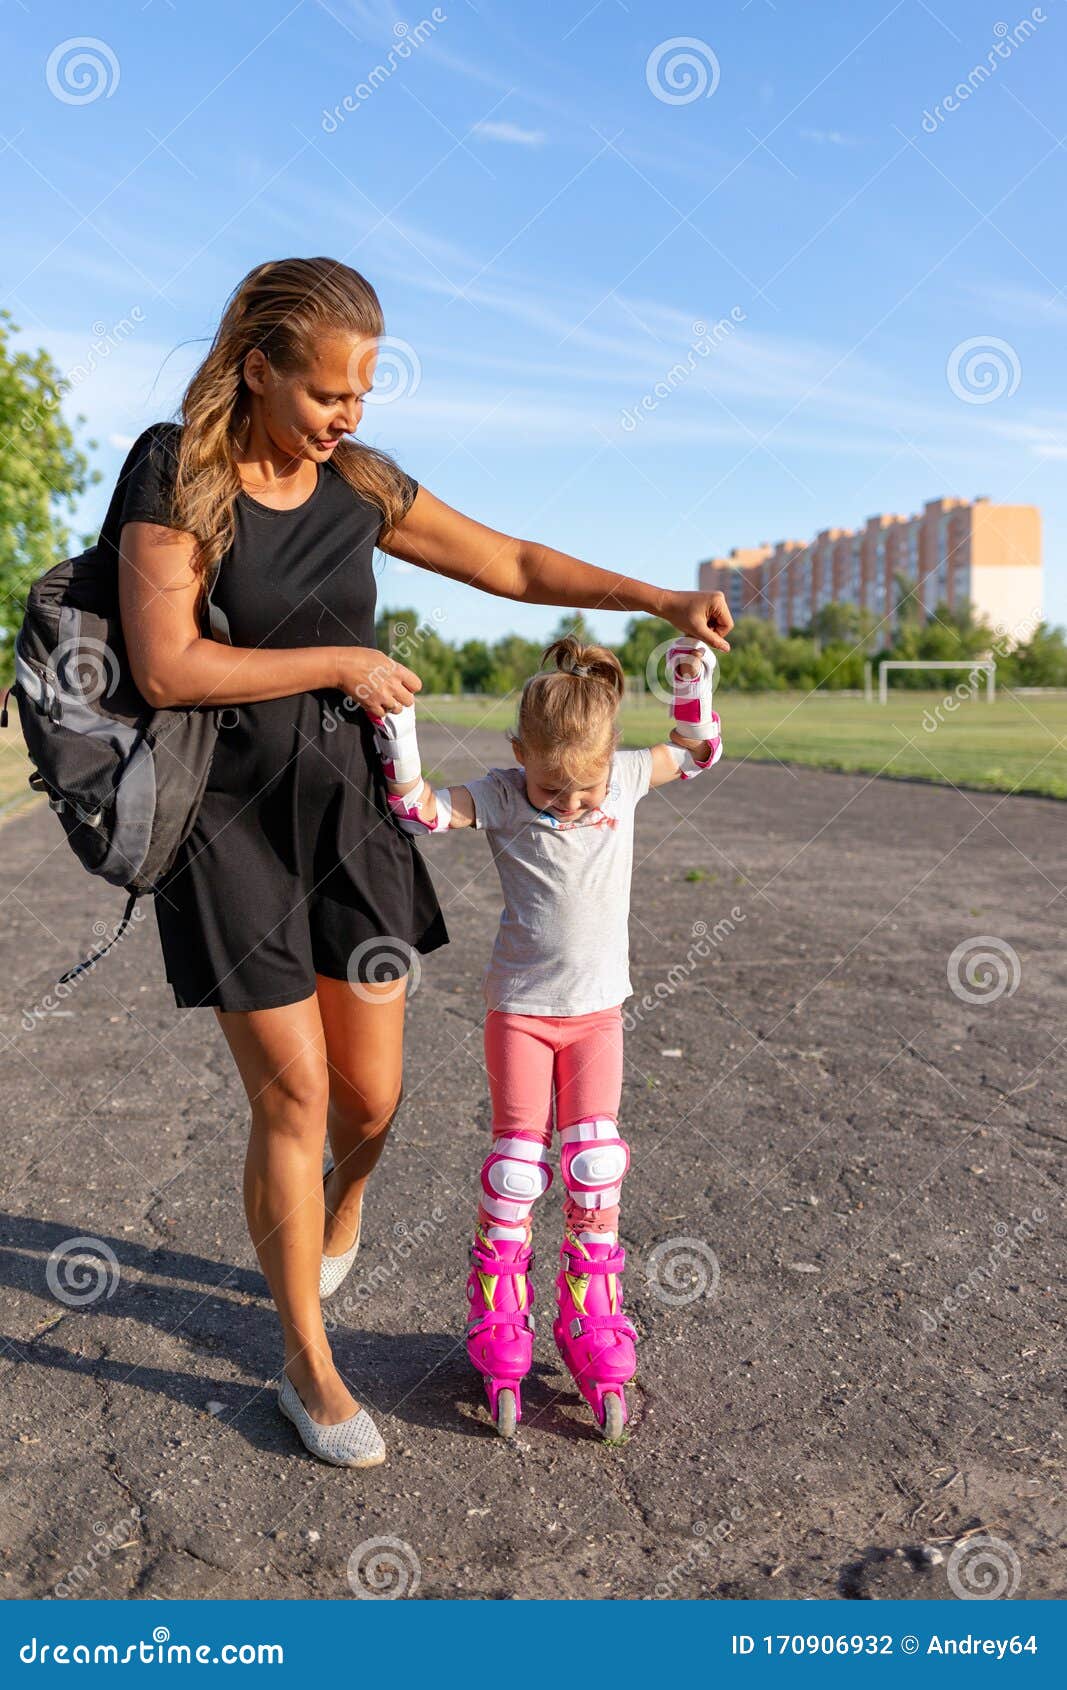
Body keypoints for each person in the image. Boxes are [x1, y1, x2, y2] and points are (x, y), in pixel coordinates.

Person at [113, 257, 733, 1469]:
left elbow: (508, 564)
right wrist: (339, 662)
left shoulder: (360, 481)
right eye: (327, 394)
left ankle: (341, 1202)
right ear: (257, 371)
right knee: (291, 1097)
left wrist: (650, 595)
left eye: (363, 393)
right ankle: (306, 1366)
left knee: (372, 1098)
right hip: (231, 825)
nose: (349, 416)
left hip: (351, 814)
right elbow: (166, 667)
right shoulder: (174, 469)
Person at [372, 633, 721, 1438]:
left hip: (597, 1015)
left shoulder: (626, 776)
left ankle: (589, 1318)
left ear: (610, 763)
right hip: (522, 1014)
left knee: (596, 1168)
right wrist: (399, 728)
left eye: (583, 791)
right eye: (549, 788)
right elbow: (417, 808)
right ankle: (500, 1317)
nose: (567, 805)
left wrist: (689, 682)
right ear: (517, 753)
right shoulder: (500, 794)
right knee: (516, 1170)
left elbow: (696, 752)